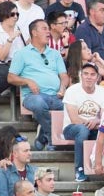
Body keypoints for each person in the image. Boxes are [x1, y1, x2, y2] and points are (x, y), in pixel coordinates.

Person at [7, 19, 67, 151]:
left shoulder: (55, 54)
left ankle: (43, 136)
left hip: (56, 96)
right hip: (33, 96)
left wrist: (62, 89)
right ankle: (52, 139)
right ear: (34, 32)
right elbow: (10, 77)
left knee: (70, 108)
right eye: (44, 29)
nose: (48, 32)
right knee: (39, 103)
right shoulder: (22, 54)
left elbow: (63, 76)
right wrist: (28, 81)